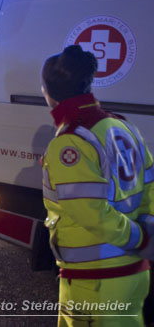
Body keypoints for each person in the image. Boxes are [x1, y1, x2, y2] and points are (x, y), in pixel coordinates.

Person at [41, 45, 154, 326]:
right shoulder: (122, 126)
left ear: (48, 93)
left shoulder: (71, 141)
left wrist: (140, 238)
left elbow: (91, 212)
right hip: (132, 274)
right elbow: (150, 184)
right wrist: (147, 230)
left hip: (97, 282)